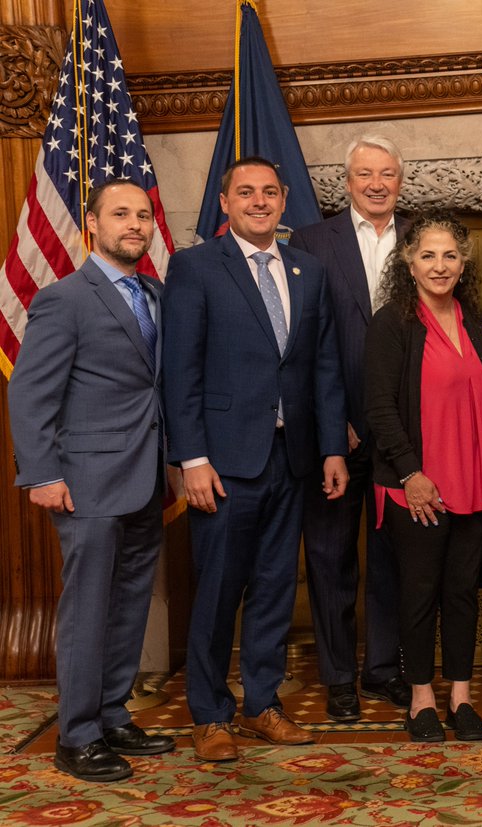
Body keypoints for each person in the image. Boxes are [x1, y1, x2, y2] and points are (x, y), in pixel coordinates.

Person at [163, 156, 349, 763]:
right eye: (246, 193)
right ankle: (209, 714)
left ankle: (261, 704)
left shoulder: (308, 270)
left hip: (289, 458)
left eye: (270, 192)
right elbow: (181, 371)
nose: (260, 202)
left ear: (285, 198)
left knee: (274, 588)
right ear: (225, 202)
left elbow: (322, 368)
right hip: (222, 461)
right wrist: (191, 458)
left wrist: (328, 449)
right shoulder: (194, 268)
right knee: (218, 591)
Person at [8, 179, 176, 782]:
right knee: (87, 610)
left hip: (144, 477)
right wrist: (42, 473)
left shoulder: (156, 293)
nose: (135, 223)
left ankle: (110, 713)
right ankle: (76, 736)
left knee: (129, 604)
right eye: (120, 214)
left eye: (143, 215)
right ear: (92, 224)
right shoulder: (65, 299)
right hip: (83, 482)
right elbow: (30, 392)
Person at [289, 135, 409, 721]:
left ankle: (383, 669)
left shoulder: (425, 239)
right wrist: (333, 420)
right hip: (335, 434)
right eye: (365, 174)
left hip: (404, 439)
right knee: (332, 559)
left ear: (400, 180)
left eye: (386, 173)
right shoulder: (310, 242)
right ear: (348, 181)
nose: (376, 183)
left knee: (393, 559)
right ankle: (338, 678)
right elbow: (301, 342)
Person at [363, 211, 482, 743]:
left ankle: (460, 696)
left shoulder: (471, 314)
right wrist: (411, 473)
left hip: (471, 480)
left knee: (463, 592)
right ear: (408, 263)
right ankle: (421, 701)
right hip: (414, 484)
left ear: (463, 263)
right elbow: (378, 407)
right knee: (419, 594)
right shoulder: (392, 321)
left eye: (449, 255)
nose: (439, 265)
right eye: (427, 255)